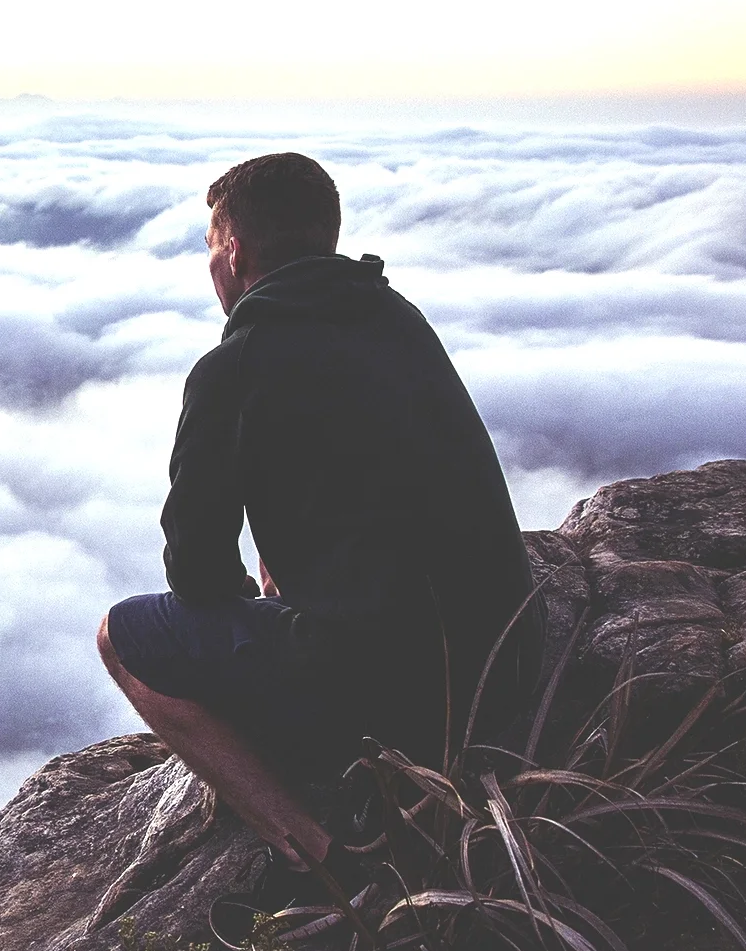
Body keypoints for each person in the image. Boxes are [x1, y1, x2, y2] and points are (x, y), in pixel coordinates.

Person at [96, 151, 535, 892]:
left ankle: (319, 852)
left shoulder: (235, 367)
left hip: (392, 700)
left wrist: (256, 606)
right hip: (507, 669)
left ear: (235, 253)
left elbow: (195, 570)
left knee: (123, 638)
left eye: (211, 247)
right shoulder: (398, 318)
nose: (212, 265)